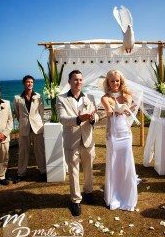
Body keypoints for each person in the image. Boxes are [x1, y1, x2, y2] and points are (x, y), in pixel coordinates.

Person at [56, 70, 99, 216]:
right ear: (69, 82)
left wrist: (93, 119)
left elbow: (96, 115)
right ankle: (75, 200)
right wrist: (79, 118)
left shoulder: (89, 97)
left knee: (89, 169)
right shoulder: (61, 98)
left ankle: (88, 192)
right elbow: (62, 119)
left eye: (80, 79)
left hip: (87, 138)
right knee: (73, 171)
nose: (78, 82)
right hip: (71, 140)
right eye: (75, 80)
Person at [101, 70, 138, 211]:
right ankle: (114, 195)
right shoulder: (105, 98)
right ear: (108, 82)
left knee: (127, 163)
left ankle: (128, 195)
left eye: (117, 80)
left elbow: (130, 109)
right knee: (114, 163)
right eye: (112, 81)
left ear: (121, 81)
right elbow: (110, 113)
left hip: (126, 134)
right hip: (113, 135)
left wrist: (127, 108)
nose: (115, 83)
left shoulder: (127, 95)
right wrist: (121, 110)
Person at [13, 75, 46, 183]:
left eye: (31, 82)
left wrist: (37, 122)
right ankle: (21, 173)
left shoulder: (38, 96)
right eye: (27, 82)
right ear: (23, 83)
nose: (30, 84)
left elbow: (41, 112)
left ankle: (43, 171)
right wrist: (24, 122)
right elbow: (18, 114)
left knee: (40, 151)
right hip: (24, 128)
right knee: (23, 152)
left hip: (37, 127)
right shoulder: (17, 98)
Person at [0, 85, 13, 186]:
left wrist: (4, 134)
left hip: (3, 137)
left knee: (4, 158)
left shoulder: (6, 103)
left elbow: (10, 120)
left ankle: (1, 176)